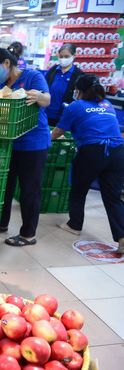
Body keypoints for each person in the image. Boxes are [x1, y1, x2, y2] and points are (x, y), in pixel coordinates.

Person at [51, 74, 124, 253]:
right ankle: (122, 238)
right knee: (113, 197)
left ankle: (75, 225)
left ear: (78, 91)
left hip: (92, 152)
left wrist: (42, 140)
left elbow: (57, 132)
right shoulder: (107, 105)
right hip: (118, 151)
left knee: (79, 189)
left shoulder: (75, 106)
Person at [0, 46, 51, 247]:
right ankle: (2, 224)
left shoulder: (32, 76)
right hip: (10, 143)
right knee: (5, 187)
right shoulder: (1, 84)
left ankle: (28, 234)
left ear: (6, 63)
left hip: (33, 143)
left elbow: (47, 100)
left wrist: (38, 97)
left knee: (29, 189)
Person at [45, 43, 83, 127]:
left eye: (66, 56)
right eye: (61, 56)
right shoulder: (53, 71)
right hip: (46, 113)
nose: (63, 59)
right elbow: (44, 86)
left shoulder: (78, 75)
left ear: (74, 55)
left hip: (65, 115)